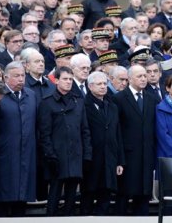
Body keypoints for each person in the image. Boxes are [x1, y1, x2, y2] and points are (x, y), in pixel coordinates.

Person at [38, 66, 92, 216]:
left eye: (70, 79)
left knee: (71, 196)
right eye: (65, 79)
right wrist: (50, 156)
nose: (68, 82)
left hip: (75, 155)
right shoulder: (47, 103)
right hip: (57, 156)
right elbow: (44, 134)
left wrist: (87, 155)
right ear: (56, 80)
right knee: (54, 194)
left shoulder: (78, 101)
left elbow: (85, 130)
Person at [113, 64, 160, 215]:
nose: (143, 79)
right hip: (127, 156)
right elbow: (117, 130)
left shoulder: (152, 99)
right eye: (139, 76)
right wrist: (119, 158)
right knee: (123, 195)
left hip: (146, 155)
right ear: (130, 78)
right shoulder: (119, 98)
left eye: (144, 76)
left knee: (144, 195)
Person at [81, 71, 124, 215]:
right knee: (88, 195)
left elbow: (118, 135)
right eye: (99, 84)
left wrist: (119, 161)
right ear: (90, 86)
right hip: (91, 159)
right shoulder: (83, 105)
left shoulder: (112, 106)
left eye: (105, 84)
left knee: (105, 195)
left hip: (109, 159)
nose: (103, 87)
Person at [0, 62, 37, 217]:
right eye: (16, 76)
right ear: (5, 77)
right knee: (3, 194)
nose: (21, 79)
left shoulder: (31, 95)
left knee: (22, 196)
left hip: (27, 152)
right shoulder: (0, 95)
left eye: (23, 76)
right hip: (4, 153)